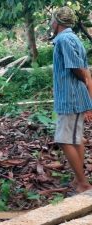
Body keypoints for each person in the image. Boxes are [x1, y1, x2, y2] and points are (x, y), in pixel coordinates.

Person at [51, 6, 92, 193]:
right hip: (71, 97)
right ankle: (78, 180)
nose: (51, 24)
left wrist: (89, 94)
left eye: (52, 21)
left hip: (71, 98)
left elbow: (79, 70)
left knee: (63, 139)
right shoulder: (72, 38)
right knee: (75, 139)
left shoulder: (64, 40)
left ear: (57, 23)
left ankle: (83, 183)